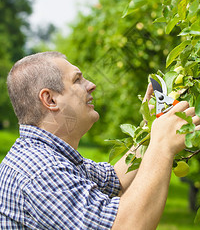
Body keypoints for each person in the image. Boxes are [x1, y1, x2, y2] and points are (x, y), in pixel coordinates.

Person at [0, 51, 200, 230]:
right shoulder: (41, 171)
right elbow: (127, 226)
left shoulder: (51, 156)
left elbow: (114, 179)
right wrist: (162, 145)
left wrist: (150, 128)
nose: (92, 85)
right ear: (50, 100)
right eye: (77, 80)